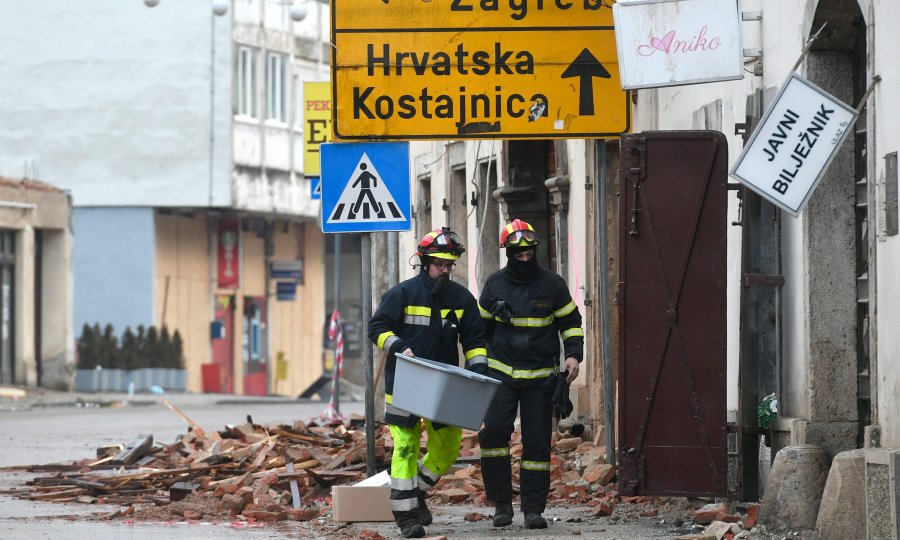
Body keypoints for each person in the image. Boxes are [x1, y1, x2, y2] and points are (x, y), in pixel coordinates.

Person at [368, 227, 488, 538]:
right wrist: (397, 345)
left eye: (450, 265)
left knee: (447, 448)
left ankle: (415, 493)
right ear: (425, 262)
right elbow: (377, 326)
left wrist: (478, 374)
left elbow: (474, 339)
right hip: (405, 384)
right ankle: (406, 517)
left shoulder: (462, 298)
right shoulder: (403, 294)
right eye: (439, 265)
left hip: (444, 388)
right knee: (406, 446)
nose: (445, 271)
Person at [477, 219, 584, 529]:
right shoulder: (494, 285)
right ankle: (501, 506)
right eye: (518, 254)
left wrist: (574, 356)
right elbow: (478, 332)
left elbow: (571, 323)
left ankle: (534, 509)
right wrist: (478, 367)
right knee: (495, 435)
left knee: (537, 445)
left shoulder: (552, 284)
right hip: (501, 377)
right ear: (508, 253)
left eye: (529, 253)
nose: (525, 259)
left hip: (540, 378)